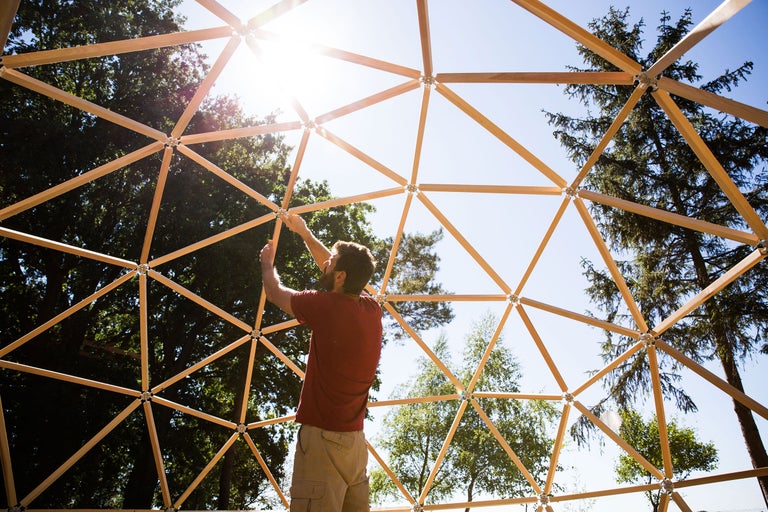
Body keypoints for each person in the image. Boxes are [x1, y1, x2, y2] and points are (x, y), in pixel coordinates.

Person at [259, 212, 383, 512]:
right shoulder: (372, 310)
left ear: (340, 276)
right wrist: (304, 233)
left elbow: (275, 293)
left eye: (332, 261)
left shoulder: (324, 306)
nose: (326, 262)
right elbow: (337, 274)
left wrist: (266, 263)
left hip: (322, 441)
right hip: (354, 446)